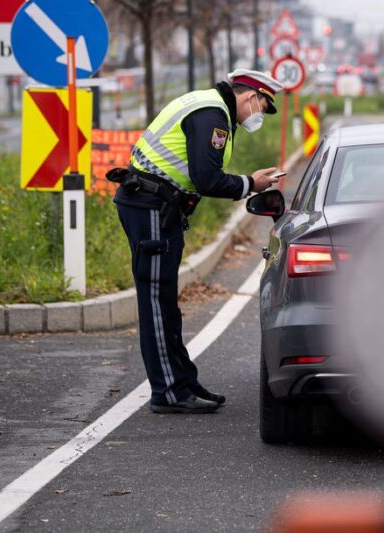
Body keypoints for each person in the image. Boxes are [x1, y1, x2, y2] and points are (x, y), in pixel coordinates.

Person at [111, 69, 284, 414]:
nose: (260, 115)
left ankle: (183, 381)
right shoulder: (213, 115)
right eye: (263, 106)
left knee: (165, 303)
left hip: (155, 206)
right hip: (150, 207)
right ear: (250, 97)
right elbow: (207, 179)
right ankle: (168, 392)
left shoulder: (208, 106)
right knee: (157, 303)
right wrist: (251, 184)